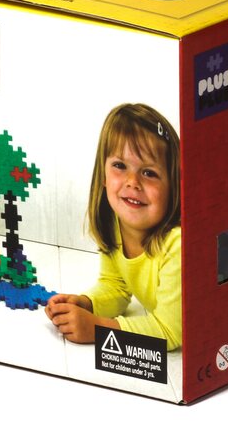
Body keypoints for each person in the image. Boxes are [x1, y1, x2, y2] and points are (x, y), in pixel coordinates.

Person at [45, 103, 182, 350]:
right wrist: (87, 304)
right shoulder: (115, 223)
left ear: (174, 187)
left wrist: (98, 329)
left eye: (149, 173)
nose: (133, 182)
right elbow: (116, 287)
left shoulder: (178, 244)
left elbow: (170, 332)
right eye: (120, 166)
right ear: (104, 174)